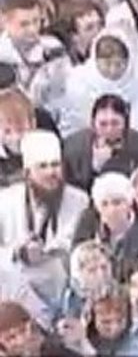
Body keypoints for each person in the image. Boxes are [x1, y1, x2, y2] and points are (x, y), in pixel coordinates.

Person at [0, 130, 89, 307]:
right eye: (42, 166)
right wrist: (18, 252)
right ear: (27, 173)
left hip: (62, 286)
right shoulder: (5, 201)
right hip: (15, 289)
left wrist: (50, 250)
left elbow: (81, 246)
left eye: (55, 165)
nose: (51, 172)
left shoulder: (80, 200)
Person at [60, 26, 138, 138]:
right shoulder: (79, 81)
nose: (113, 70)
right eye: (107, 65)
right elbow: (70, 127)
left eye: (119, 64)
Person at [62, 93, 138, 192]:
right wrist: (96, 166)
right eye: (103, 124)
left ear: (125, 123)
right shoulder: (73, 146)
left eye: (115, 123)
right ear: (93, 124)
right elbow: (72, 187)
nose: (109, 130)